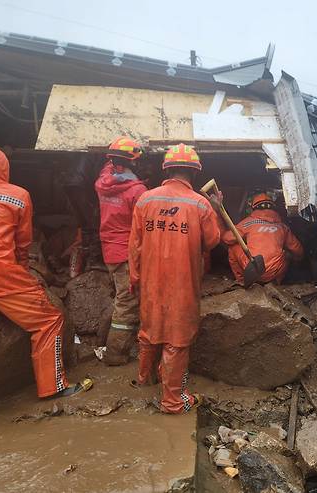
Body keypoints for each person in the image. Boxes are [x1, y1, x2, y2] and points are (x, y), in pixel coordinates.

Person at [0, 145, 82, 432]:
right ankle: (52, 386)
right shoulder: (17, 196)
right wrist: (22, 275)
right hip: (1, 275)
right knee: (49, 320)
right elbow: (22, 244)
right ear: (2, 167)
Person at [128, 143, 220, 414]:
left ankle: (144, 380)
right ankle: (173, 401)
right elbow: (213, 241)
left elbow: (134, 243)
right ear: (194, 172)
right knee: (177, 339)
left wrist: (134, 276)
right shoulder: (200, 204)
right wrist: (216, 208)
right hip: (182, 281)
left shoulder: (145, 199)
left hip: (150, 280)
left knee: (149, 330)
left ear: (166, 169)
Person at [95, 137, 147, 365]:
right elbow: (144, 228)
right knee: (127, 303)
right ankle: (115, 354)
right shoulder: (137, 191)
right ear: (133, 162)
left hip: (109, 249)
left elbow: (111, 165)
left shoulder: (103, 182)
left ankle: (102, 341)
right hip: (127, 253)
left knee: (121, 296)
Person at [224, 192, 304, 285]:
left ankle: (241, 280)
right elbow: (298, 250)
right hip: (273, 272)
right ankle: (277, 282)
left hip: (251, 269)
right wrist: (299, 260)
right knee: (287, 255)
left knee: (233, 246)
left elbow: (227, 238)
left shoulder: (249, 223)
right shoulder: (282, 226)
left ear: (254, 208)